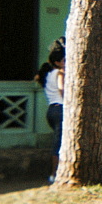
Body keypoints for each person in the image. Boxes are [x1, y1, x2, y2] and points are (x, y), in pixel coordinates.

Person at [35, 41, 65, 182]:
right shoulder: (60, 73)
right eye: (65, 60)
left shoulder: (47, 74)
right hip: (61, 110)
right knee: (59, 144)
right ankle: (54, 174)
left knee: (60, 142)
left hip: (52, 110)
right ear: (58, 62)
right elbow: (62, 89)